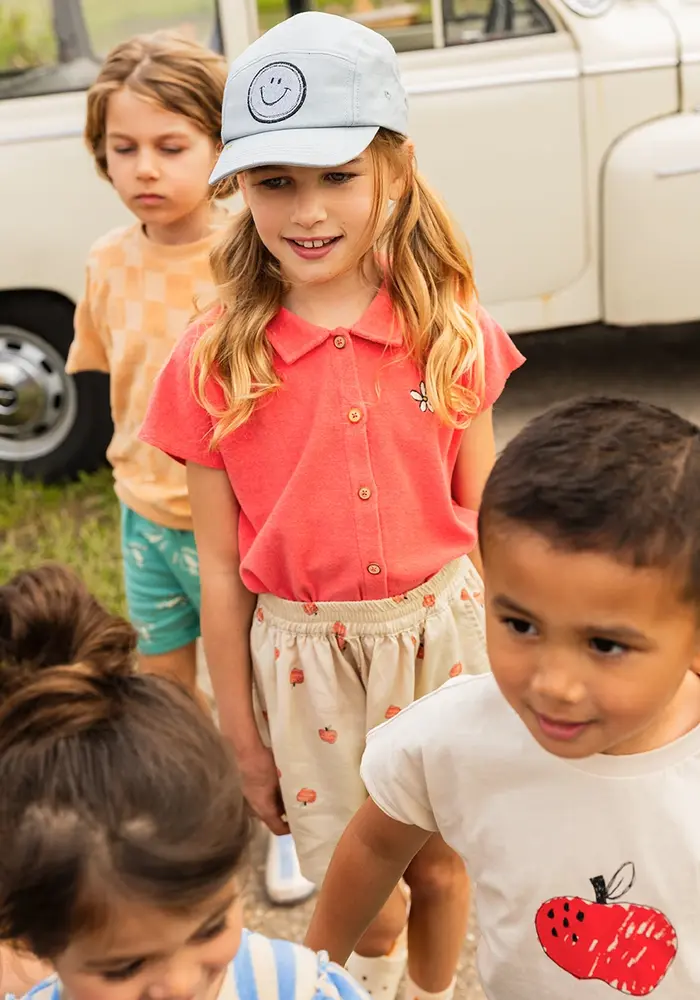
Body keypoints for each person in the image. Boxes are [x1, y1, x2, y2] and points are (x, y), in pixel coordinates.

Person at [140, 11, 524, 999]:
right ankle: (350, 983)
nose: (307, 211)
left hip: (443, 644)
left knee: (439, 868)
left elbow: (488, 523)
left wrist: (524, 659)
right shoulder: (211, 358)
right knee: (368, 892)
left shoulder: (452, 331)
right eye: (276, 181)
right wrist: (241, 738)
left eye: (337, 175)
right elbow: (220, 570)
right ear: (241, 187)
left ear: (391, 170)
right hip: (304, 666)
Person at [304, 396, 700, 997]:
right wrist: (312, 969)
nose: (553, 684)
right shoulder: (451, 737)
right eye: (520, 625)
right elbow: (372, 844)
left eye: (604, 644)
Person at [65, 31, 310, 905]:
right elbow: (110, 376)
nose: (145, 169)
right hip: (143, 518)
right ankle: (211, 812)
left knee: (263, 685)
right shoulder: (103, 261)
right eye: (122, 149)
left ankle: (290, 816)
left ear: (219, 149)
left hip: (241, 525)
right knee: (169, 691)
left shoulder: (253, 258)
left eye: (171, 147)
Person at [0, 563, 368, 1000]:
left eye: (210, 927)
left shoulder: (303, 991)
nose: (181, 984)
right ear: (30, 943)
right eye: (125, 966)